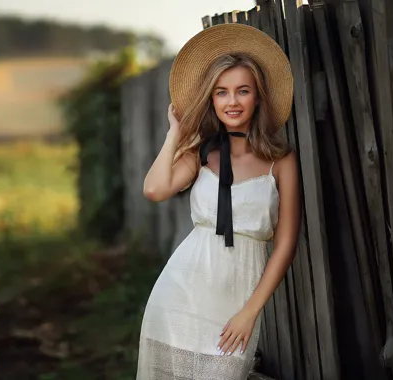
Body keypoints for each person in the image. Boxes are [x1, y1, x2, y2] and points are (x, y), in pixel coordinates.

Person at [136, 23, 301, 379]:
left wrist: (250, 312)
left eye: (243, 91)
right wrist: (174, 135)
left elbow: (286, 245)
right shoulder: (200, 153)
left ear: (257, 97)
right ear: (212, 99)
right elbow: (154, 190)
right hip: (179, 297)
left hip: (236, 307)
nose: (232, 101)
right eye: (221, 92)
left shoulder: (281, 161)